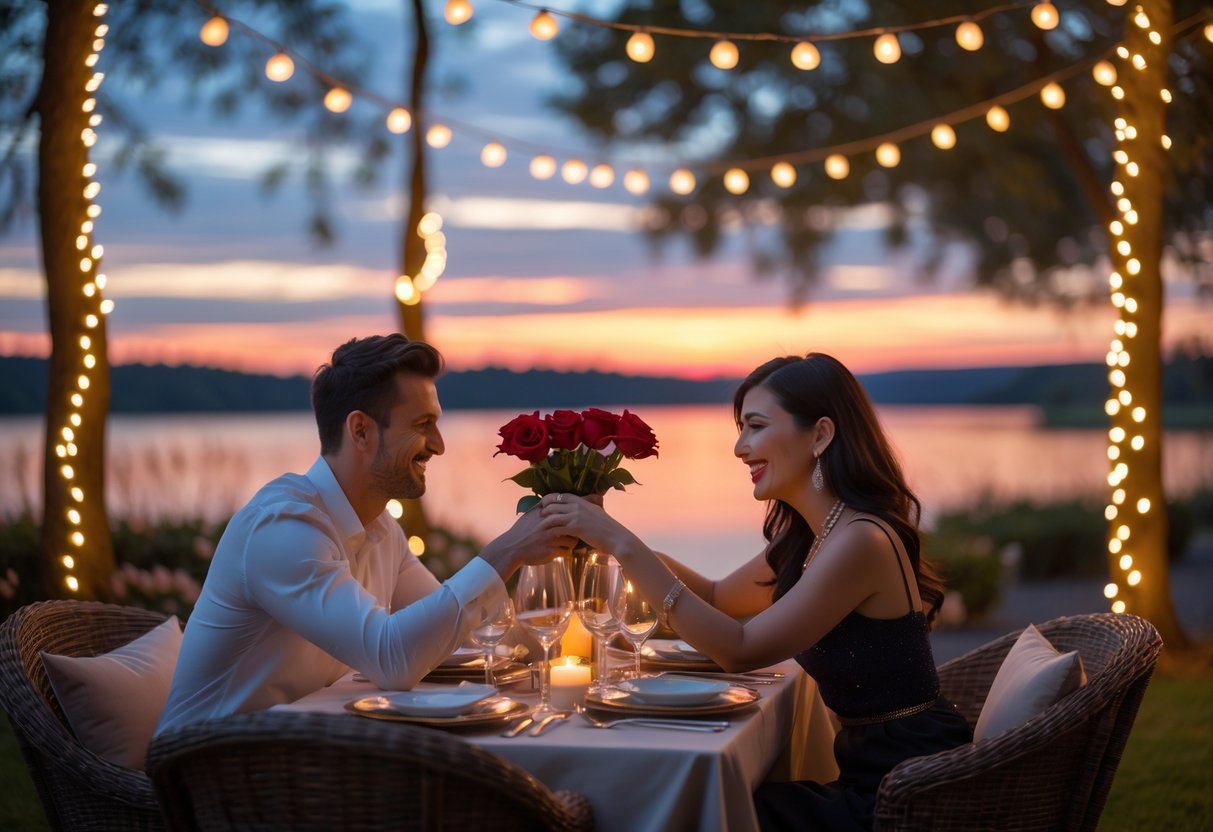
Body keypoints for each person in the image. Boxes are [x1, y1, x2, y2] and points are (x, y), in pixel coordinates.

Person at [538, 353, 971, 831]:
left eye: (756, 426)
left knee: (700, 811)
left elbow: (739, 650)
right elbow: (718, 597)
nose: (741, 448)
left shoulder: (860, 541)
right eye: (741, 429)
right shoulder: (814, 536)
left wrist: (620, 541)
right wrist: (615, 546)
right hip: (871, 774)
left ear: (821, 435)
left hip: (905, 793)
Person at [157, 335, 572, 734]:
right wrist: (507, 552)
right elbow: (392, 659)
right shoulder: (282, 527)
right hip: (207, 774)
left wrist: (557, 635)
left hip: (295, 759)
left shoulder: (378, 528)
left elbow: (453, 631)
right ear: (360, 431)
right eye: (423, 424)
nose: (439, 445)